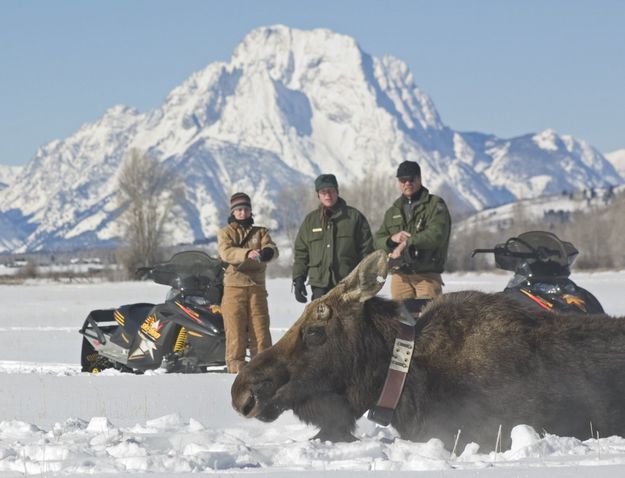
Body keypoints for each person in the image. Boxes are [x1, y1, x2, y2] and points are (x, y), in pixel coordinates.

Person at [217, 192, 279, 373]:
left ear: (250, 211)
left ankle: (263, 367)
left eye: (245, 209)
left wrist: (268, 252)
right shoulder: (225, 232)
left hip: (256, 287)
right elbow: (226, 252)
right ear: (233, 212)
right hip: (234, 287)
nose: (242, 213)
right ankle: (235, 368)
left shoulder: (261, 232)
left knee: (260, 330)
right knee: (235, 331)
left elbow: (272, 248)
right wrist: (246, 253)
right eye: (238, 210)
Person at [374, 160, 451, 300]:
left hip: (427, 276)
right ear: (399, 182)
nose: (407, 183)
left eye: (411, 179)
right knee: (401, 319)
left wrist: (407, 243)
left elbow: (437, 235)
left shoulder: (435, 205)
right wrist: (391, 239)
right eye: (403, 180)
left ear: (419, 179)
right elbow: (377, 241)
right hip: (400, 276)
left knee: (430, 318)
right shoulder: (393, 211)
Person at [292, 174, 374, 302]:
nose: (327, 195)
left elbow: (366, 251)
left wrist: (365, 279)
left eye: (331, 191)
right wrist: (298, 279)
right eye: (323, 192)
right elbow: (301, 253)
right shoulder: (310, 221)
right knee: (321, 321)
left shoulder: (354, 217)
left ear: (337, 191)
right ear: (318, 195)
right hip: (319, 285)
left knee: (349, 321)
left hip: (348, 283)